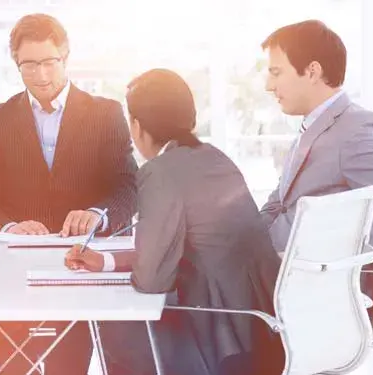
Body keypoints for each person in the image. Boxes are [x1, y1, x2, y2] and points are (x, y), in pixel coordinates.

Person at [65, 69, 284, 375]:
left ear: (137, 126)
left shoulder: (160, 172)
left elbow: (152, 279)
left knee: (114, 320)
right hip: (262, 328)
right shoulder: (215, 157)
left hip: (218, 334)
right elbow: (180, 248)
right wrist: (105, 261)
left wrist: (138, 266)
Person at [0, 13, 138, 374]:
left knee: (68, 367)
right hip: (13, 273)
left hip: (78, 269)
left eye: (48, 62)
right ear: (16, 63)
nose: (40, 75)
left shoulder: (105, 113)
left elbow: (128, 186)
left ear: (65, 56)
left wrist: (97, 213)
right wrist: (10, 226)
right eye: (28, 65)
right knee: (13, 369)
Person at [259, 20, 373, 256]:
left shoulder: (358, 130)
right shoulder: (310, 129)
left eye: (276, 73)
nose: (269, 86)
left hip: (310, 278)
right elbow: (277, 207)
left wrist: (325, 255)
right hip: (272, 267)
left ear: (312, 72)